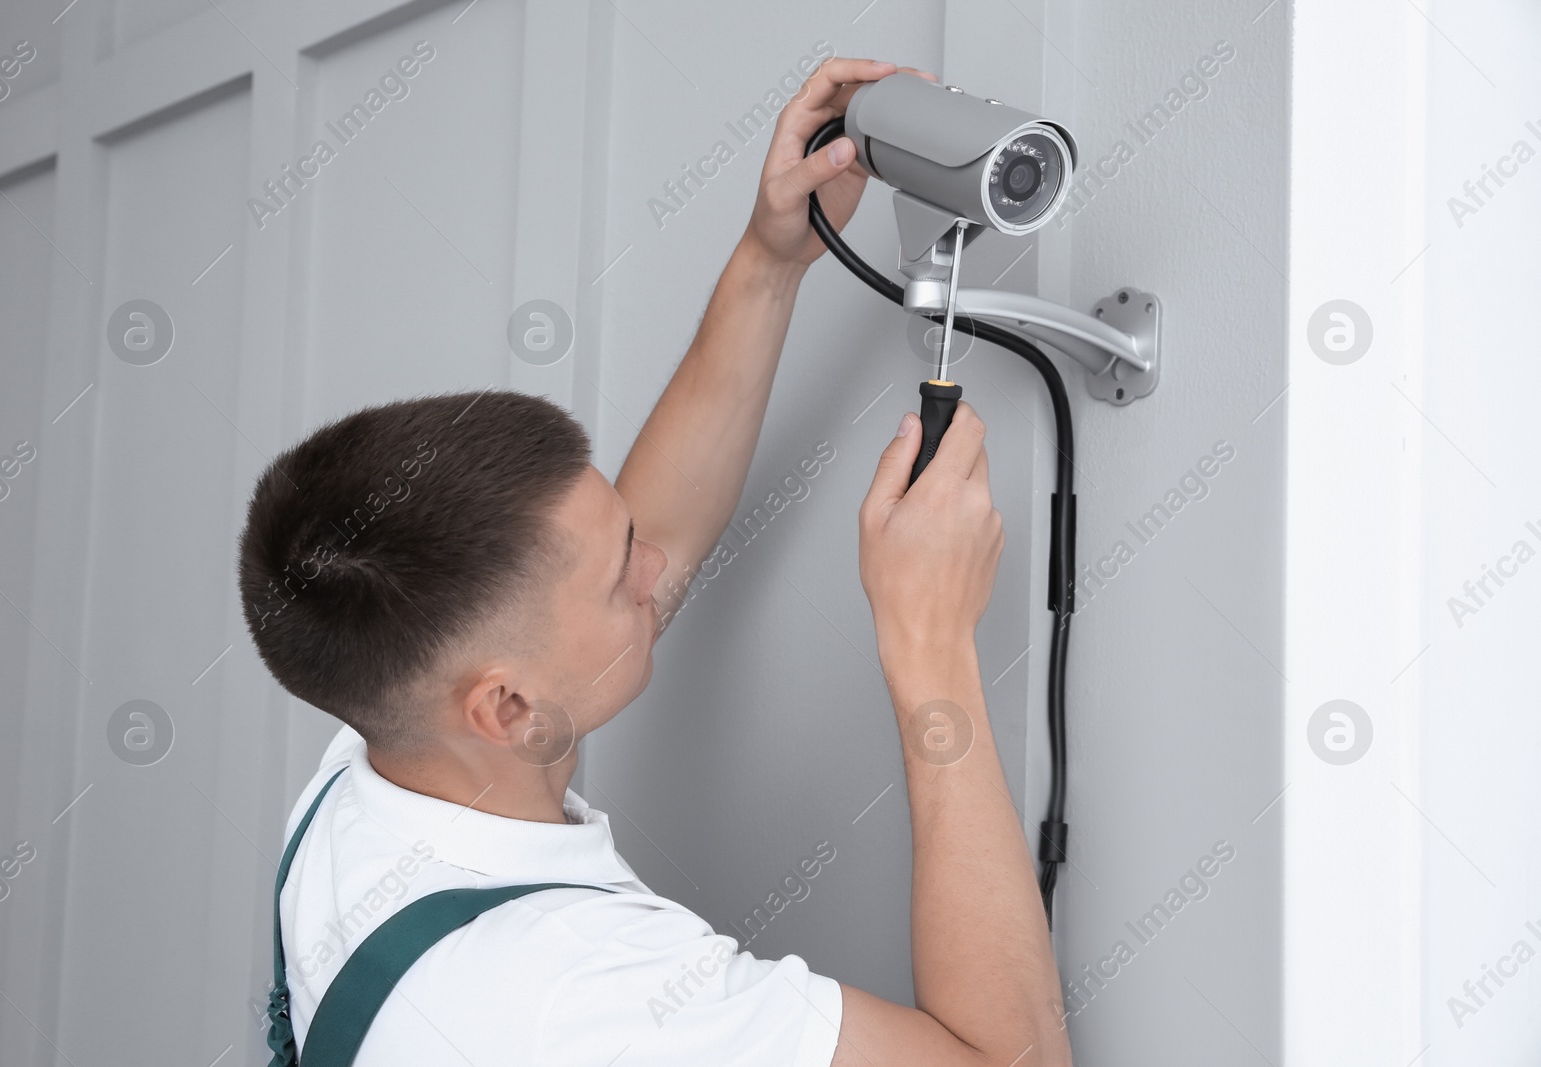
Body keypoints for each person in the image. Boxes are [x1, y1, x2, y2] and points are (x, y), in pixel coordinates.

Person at [238, 56, 1070, 1067]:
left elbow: (646, 542)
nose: (653, 568)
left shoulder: (361, 787)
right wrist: (929, 643)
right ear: (506, 709)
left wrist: (773, 257)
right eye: (618, 574)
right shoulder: (581, 990)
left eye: (623, 533)